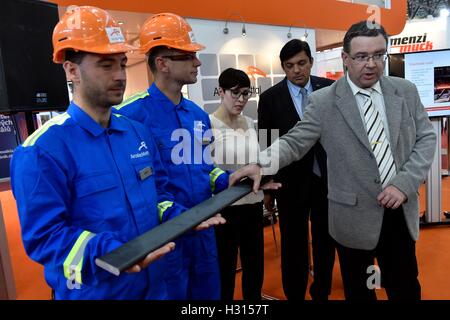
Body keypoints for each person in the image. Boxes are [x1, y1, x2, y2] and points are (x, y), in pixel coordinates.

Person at [10, 6, 224, 300]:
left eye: (122, 64)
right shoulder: (42, 150)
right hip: (100, 291)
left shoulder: (137, 133)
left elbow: (157, 196)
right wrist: (113, 252)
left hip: (160, 284)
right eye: (106, 65)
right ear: (71, 70)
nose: (120, 75)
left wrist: (183, 217)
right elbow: (44, 238)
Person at [230, 20, 436, 301]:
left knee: (405, 288)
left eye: (378, 55)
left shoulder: (405, 91)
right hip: (351, 217)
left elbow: (426, 138)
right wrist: (261, 164)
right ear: (345, 59)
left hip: (399, 212)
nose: (372, 64)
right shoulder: (324, 101)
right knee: (361, 293)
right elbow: (294, 141)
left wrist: (404, 183)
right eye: (362, 56)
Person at [114, 13, 229, 300]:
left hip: (203, 232)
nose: (198, 62)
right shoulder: (128, 117)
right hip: (162, 241)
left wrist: (227, 179)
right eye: (188, 56)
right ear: (162, 63)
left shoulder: (197, 115)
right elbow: (132, 189)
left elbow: (204, 168)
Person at [258, 39, 335, 300]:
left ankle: (321, 292)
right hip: (289, 185)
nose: (297, 70)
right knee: (293, 246)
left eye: (301, 63)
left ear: (311, 62)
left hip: (328, 181)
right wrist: (267, 188)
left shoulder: (330, 89)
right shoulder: (269, 98)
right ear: (283, 68)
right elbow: (266, 142)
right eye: (289, 66)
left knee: (326, 242)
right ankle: (295, 295)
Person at [209, 68, 264, 300]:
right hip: (225, 209)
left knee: (255, 267)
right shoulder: (208, 124)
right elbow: (207, 170)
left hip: (253, 203)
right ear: (221, 92)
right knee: (226, 269)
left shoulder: (249, 122)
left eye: (245, 94)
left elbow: (257, 161)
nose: (241, 100)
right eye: (235, 93)